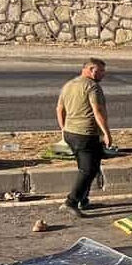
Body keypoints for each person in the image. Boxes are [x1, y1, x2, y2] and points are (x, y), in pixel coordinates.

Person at [55, 57, 112, 217]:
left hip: (70, 133)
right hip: (86, 134)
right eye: (101, 71)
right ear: (91, 70)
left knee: (86, 166)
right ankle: (71, 201)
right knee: (89, 169)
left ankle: (83, 199)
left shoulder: (69, 85)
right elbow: (97, 111)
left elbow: (59, 109)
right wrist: (106, 133)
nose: (103, 74)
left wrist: (64, 128)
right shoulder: (92, 87)